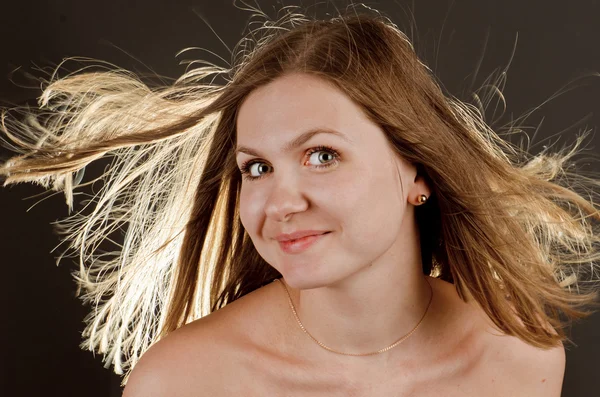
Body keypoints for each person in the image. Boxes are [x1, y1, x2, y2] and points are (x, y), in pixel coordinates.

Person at [1, 4, 599, 396]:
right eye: (256, 168)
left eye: (321, 155)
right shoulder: (182, 383)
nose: (279, 202)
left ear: (419, 172)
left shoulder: (521, 358)